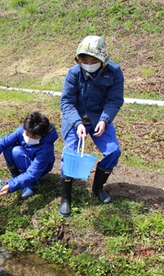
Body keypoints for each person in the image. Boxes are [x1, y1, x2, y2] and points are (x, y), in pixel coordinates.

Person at [59, 36, 124, 217]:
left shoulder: (114, 72)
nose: (88, 63)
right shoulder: (74, 73)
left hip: (99, 120)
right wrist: (77, 123)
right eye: (84, 60)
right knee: (70, 154)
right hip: (75, 120)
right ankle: (66, 199)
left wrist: (104, 120)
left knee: (113, 151)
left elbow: (115, 100)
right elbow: (67, 102)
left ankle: (98, 188)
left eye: (93, 60)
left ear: (103, 59)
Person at [0, 111, 58, 200]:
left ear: (42, 135)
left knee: (17, 151)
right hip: (24, 157)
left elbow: (34, 171)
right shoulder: (22, 131)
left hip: (39, 168)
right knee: (8, 146)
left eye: (34, 137)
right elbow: (2, 142)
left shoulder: (46, 147)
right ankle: (16, 176)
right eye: (27, 134)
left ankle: (31, 183)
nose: (28, 138)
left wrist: (11, 186)